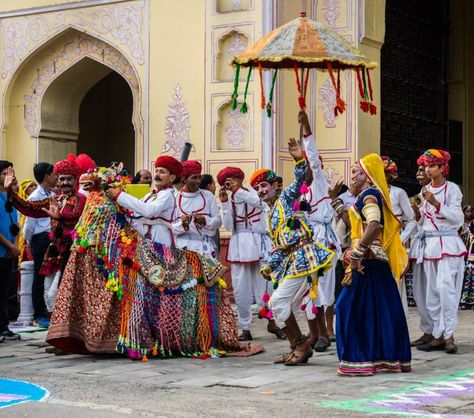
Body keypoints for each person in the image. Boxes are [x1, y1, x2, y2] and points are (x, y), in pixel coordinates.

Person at [256, 134, 334, 366]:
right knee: (276, 305)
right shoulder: (270, 216)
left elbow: (300, 179)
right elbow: (281, 247)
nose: (261, 191)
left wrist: (299, 160)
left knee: (278, 303)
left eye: (264, 186)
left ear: (273, 186)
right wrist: (270, 265)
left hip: (305, 257)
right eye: (257, 188)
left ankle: (301, 346)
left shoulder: (286, 199)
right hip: (292, 260)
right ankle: (298, 346)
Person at [336, 153, 411, 376]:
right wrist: (336, 202)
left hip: (367, 262)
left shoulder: (369, 195)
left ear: (367, 176)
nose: (351, 177)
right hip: (375, 263)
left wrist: (357, 253)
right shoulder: (372, 195)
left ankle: (359, 360)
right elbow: (359, 225)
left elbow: (374, 225)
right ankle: (382, 359)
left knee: (346, 307)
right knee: (378, 310)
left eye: (355, 173)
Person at [5, 158, 86, 316]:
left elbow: (75, 215)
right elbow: (30, 208)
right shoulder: (55, 199)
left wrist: (60, 216)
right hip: (57, 251)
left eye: (69, 178)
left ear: (76, 179)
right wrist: (10, 192)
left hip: (75, 251)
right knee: (52, 292)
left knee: (68, 290)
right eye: (62, 178)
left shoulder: (81, 198)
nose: (65, 182)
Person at [218, 166, 283, 341]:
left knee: (267, 286)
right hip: (239, 245)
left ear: (240, 180)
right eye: (227, 182)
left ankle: (272, 321)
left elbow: (259, 204)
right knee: (241, 288)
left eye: (233, 180)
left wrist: (238, 191)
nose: (230, 184)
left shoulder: (255, 193)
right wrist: (225, 204)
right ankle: (245, 327)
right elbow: (229, 226)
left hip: (260, 243)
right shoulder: (230, 199)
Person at [414, 150, 466, 354]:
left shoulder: (452, 189)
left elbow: (458, 219)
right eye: (427, 165)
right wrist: (417, 214)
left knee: (446, 291)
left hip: (449, 245)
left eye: (433, 165)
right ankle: (437, 335)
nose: (428, 168)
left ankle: (449, 335)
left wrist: (436, 204)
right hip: (430, 247)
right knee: (432, 293)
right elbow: (422, 222)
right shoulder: (423, 191)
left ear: (442, 168)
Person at [299, 110, 341, 352]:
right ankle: (315, 332)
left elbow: (313, 158)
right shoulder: (299, 192)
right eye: (302, 167)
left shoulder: (319, 183)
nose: (307, 169)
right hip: (305, 245)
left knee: (325, 287)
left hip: (324, 241)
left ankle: (328, 331)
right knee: (308, 287)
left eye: (309, 166)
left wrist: (306, 129)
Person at [106, 156, 182, 247]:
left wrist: (119, 195)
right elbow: (136, 211)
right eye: (156, 171)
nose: (157, 175)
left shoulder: (167, 195)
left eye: (162, 172)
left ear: (172, 178)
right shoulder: (151, 194)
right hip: (147, 239)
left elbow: (149, 211)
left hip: (159, 240)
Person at [381, 156, 416, 316]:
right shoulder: (369, 193)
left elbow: (412, 220)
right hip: (374, 244)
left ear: (389, 175)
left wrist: (400, 239)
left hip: (393, 244)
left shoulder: (398, 193)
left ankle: (396, 316)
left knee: (394, 280)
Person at [24, 162, 57, 328]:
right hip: (40, 239)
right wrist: (30, 242)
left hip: (51, 238)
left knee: (50, 276)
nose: (56, 177)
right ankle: (39, 314)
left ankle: (49, 310)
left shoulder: (51, 194)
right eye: (54, 174)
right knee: (39, 277)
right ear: (46, 176)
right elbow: (29, 224)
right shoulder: (35, 197)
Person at [172, 160, 221, 257]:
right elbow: (170, 227)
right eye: (194, 177)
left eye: (199, 177)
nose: (198, 181)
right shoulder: (174, 198)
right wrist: (183, 224)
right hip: (182, 248)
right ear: (184, 180)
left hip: (205, 248)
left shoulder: (208, 196)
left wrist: (205, 221)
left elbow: (218, 222)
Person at [0, 160, 20, 342]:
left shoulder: (11, 198)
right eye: (4, 173)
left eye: (10, 173)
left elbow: (15, 224)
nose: (9, 177)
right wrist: (10, 245)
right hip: (2, 249)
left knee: (4, 291)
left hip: (9, 252)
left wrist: (14, 245)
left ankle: (3, 326)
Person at [200, 174, 220, 253]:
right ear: (209, 185)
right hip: (209, 238)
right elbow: (217, 221)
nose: (215, 187)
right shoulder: (210, 197)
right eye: (214, 184)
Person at [459, 205, 474, 310]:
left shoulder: (472, 223)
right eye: (467, 211)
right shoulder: (460, 224)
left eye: (471, 211)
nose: (469, 213)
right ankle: (463, 300)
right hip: (464, 251)